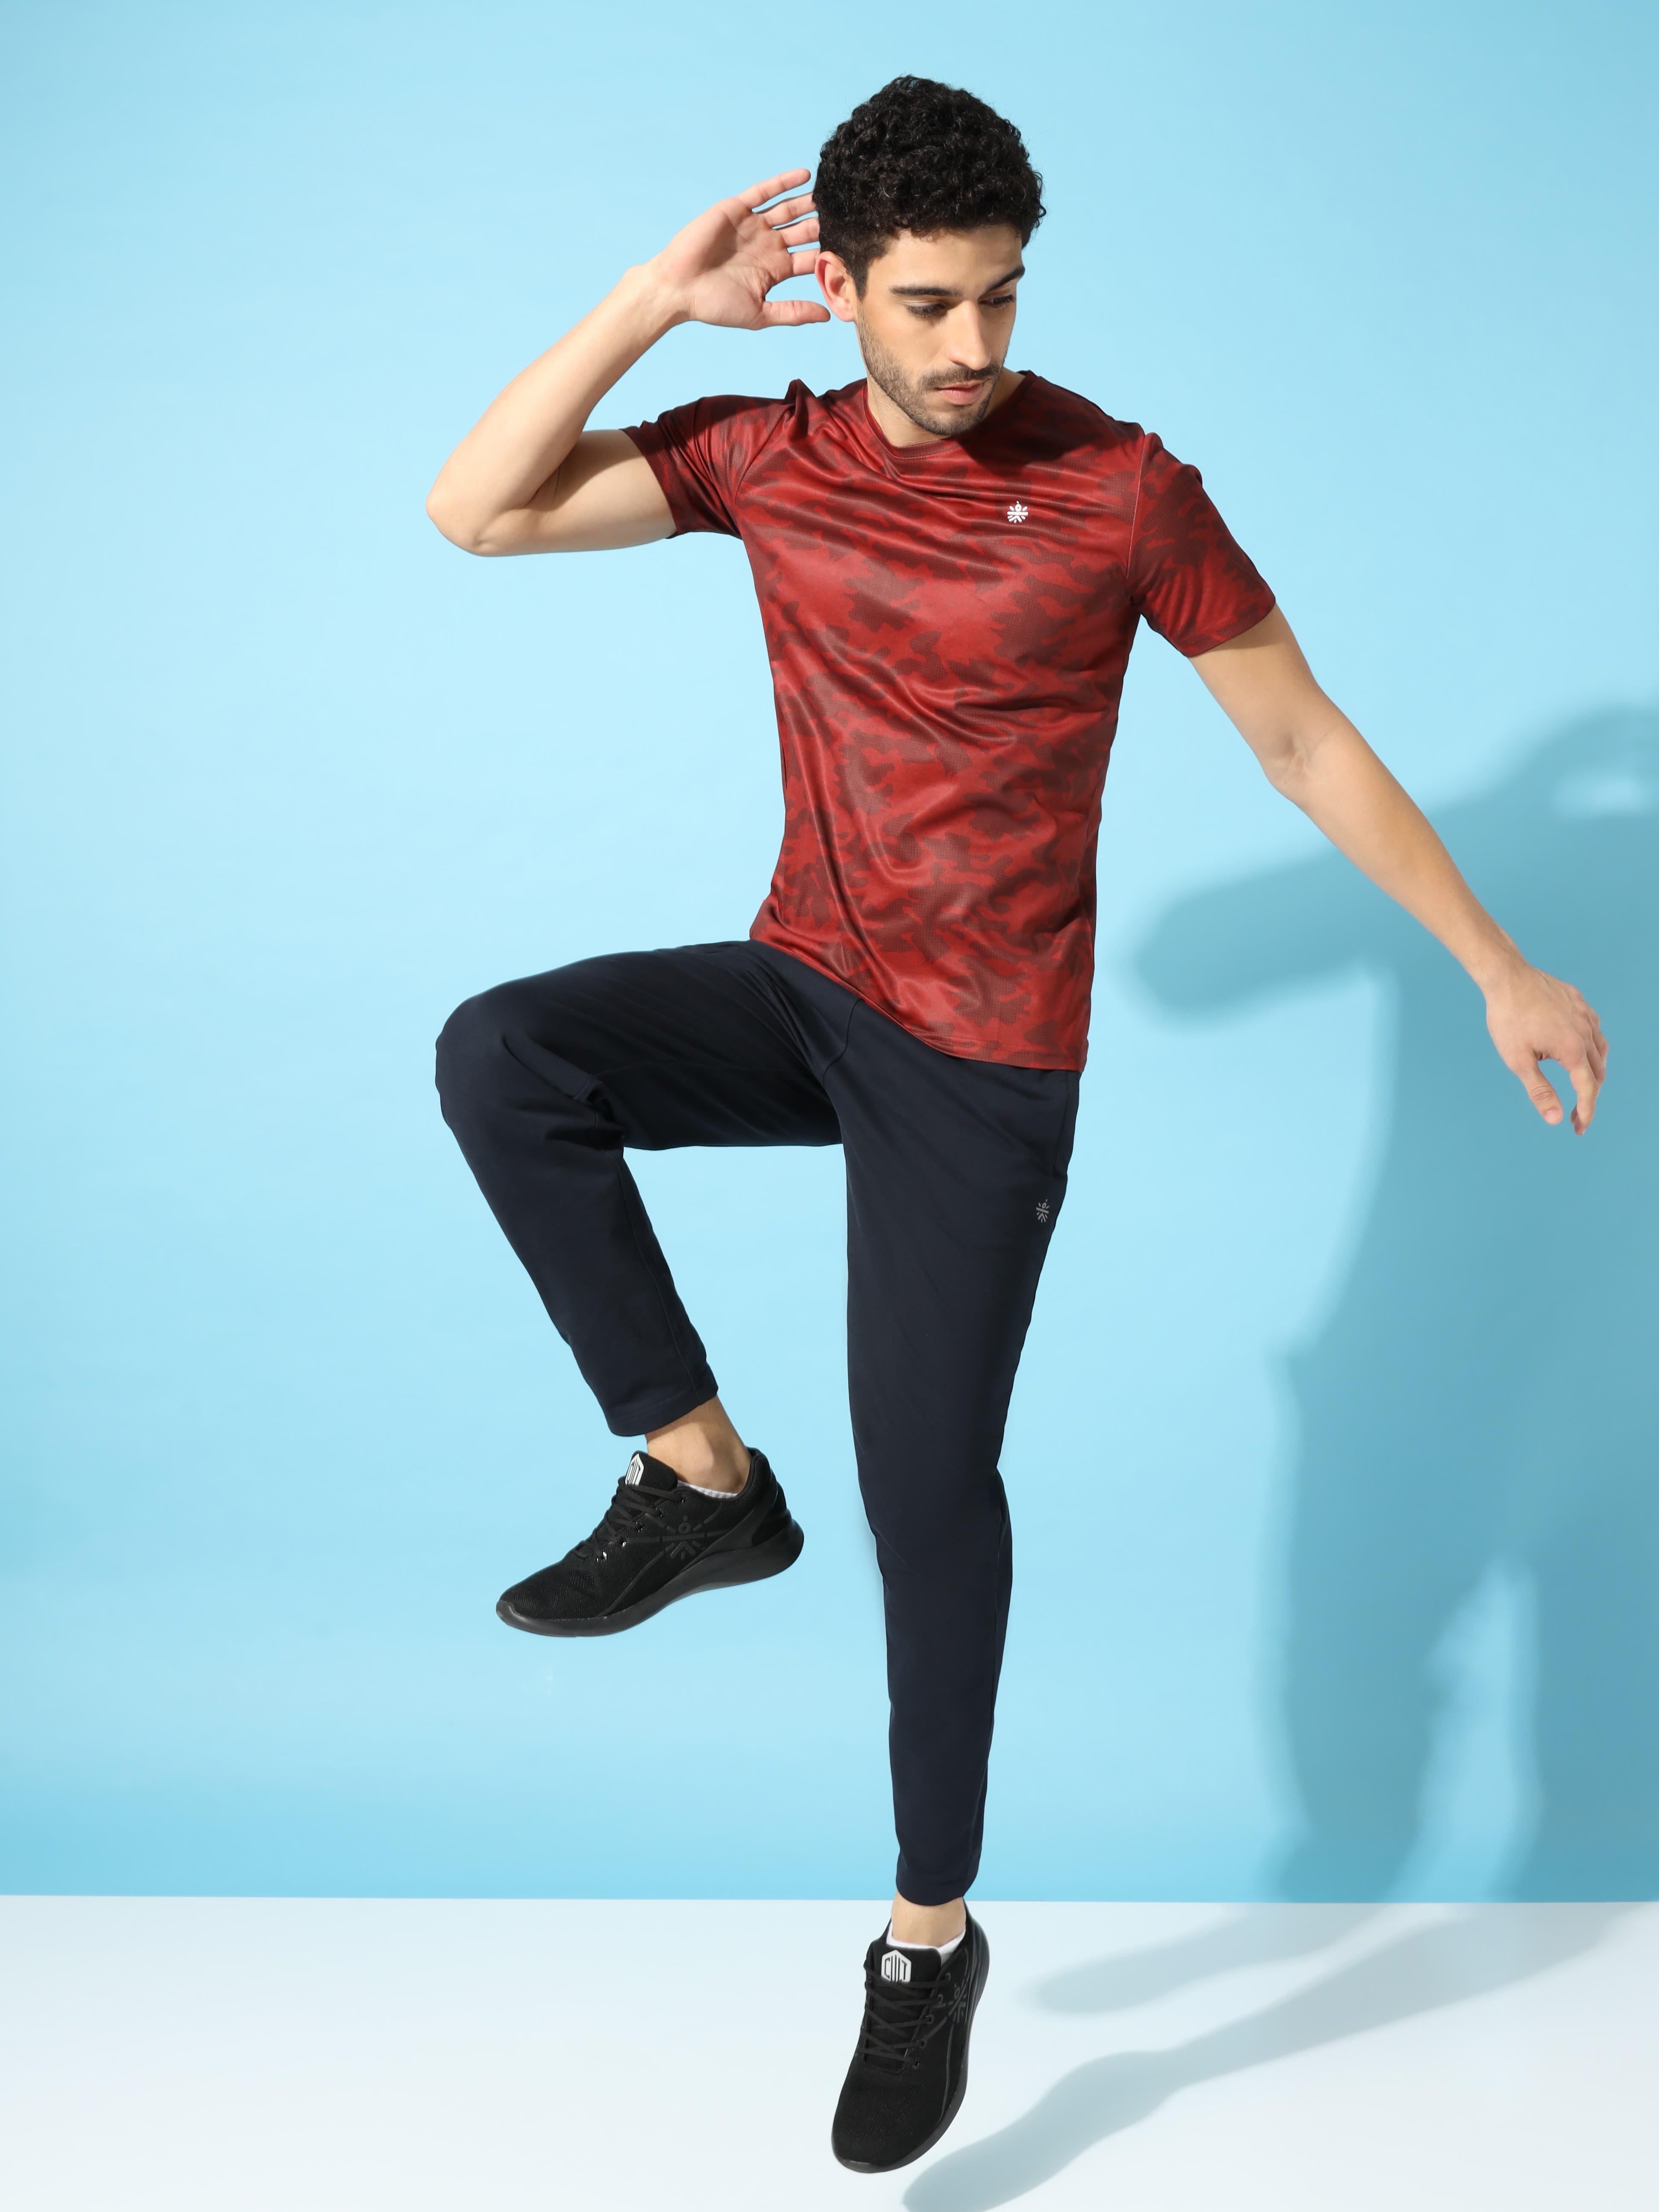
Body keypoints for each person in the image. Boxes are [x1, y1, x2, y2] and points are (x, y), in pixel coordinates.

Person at [425, 76, 1606, 2174]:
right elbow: (478, 510)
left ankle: (923, 1937)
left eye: (1000, 297)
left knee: (923, 1478)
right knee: (506, 1053)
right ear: (843, 290)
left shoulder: (1120, 486)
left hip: (980, 1065)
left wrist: (1491, 960)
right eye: (928, 302)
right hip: (804, 985)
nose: (971, 345)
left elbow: (1299, 741)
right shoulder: (768, 457)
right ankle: (699, 1477)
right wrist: (645, 302)